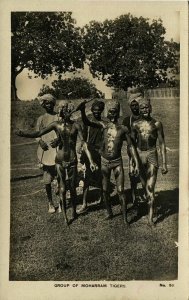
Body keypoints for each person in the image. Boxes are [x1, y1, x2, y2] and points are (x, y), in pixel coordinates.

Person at [16, 101, 96, 226]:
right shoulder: (56, 125)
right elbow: (38, 133)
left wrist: (91, 161)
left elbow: (84, 143)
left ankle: (74, 211)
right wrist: (24, 133)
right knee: (63, 188)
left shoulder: (76, 126)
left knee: (73, 188)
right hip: (59, 160)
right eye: (61, 110)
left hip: (72, 160)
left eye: (66, 109)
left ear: (69, 111)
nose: (63, 112)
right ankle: (65, 216)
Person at [76, 99, 139, 225]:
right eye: (110, 112)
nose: (113, 114)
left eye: (115, 112)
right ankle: (109, 212)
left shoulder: (123, 129)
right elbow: (87, 121)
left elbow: (131, 146)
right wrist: (82, 110)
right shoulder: (103, 125)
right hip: (104, 162)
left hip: (117, 162)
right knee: (104, 190)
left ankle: (125, 218)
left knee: (121, 190)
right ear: (108, 113)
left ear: (118, 113)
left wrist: (136, 162)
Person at [131, 97, 168, 226]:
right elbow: (132, 145)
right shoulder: (135, 125)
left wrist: (164, 163)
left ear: (150, 108)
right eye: (142, 108)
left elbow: (162, 144)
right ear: (139, 110)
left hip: (152, 155)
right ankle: (150, 207)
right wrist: (133, 163)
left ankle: (150, 219)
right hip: (140, 156)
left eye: (147, 107)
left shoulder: (157, 124)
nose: (145, 109)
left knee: (150, 187)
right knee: (145, 187)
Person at [78, 100, 105, 213]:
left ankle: (103, 199)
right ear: (92, 111)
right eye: (94, 110)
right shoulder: (88, 123)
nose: (96, 112)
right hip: (89, 152)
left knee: (102, 177)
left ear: (101, 111)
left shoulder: (104, 123)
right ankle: (84, 204)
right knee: (87, 178)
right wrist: (82, 145)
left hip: (100, 152)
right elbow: (84, 137)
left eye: (98, 110)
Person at [36, 94, 59, 214]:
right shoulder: (41, 119)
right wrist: (40, 142)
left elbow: (62, 131)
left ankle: (61, 201)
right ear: (44, 105)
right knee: (47, 180)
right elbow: (37, 134)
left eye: (50, 103)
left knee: (60, 178)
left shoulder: (58, 117)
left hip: (57, 150)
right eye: (46, 103)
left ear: (53, 104)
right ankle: (50, 202)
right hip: (46, 152)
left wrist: (58, 140)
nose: (48, 105)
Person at [122, 93, 142, 205]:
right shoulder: (126, 120)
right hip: (132, 150)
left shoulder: (144, 118)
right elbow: (124, 137)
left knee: (145, 173)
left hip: (143, 150)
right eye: (132, 105)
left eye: (136, 105)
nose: (135, 107)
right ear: (130, 106)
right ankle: (134, 196)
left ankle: (145, 194)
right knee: (133, 174)